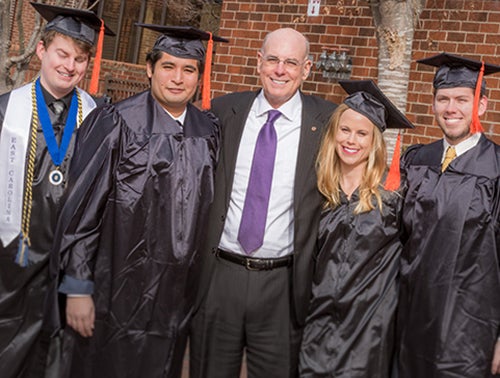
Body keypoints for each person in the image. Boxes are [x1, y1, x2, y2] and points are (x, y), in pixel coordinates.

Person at [45, 24, 226, 378]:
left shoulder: (208, 130)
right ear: (149, 68)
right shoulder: (116, 121)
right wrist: (79, 287)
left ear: (199, 77)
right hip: (115, 289)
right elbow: (82, 211)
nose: (178, 78)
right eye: (168, 66)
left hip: (176, 296)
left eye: (188, 69)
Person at [190, 27, 337, 378]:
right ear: (259, 62)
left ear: (307, 68)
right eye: (272, 60)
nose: (280, 70)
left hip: (283, 285)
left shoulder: (328, 121)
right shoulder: (223, 112)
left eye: (290, 62)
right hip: (220, 275)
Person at [0, 3, 113, 377]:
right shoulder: (5, 113)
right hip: (12, 266)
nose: (70, 66)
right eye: (62, 54)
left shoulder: (99, 119)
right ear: (41, 51)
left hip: (71, 267)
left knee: (60, 362)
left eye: (80, 59)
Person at [298, 80, 414, 378]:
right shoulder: (319, 192)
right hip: (318, 324)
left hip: (369, 331)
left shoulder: (393, 197)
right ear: (333, 134)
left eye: (362, 133)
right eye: (345, 130)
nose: (352, 140)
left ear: (374, 141)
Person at [397, 52, 500, 377]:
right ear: (433, 104)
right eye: (443, 99)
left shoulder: (496, 169)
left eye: (461, 99)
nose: (450, 108)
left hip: (469, 330)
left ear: (481, 104)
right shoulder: (415, 160)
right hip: (409, 320)